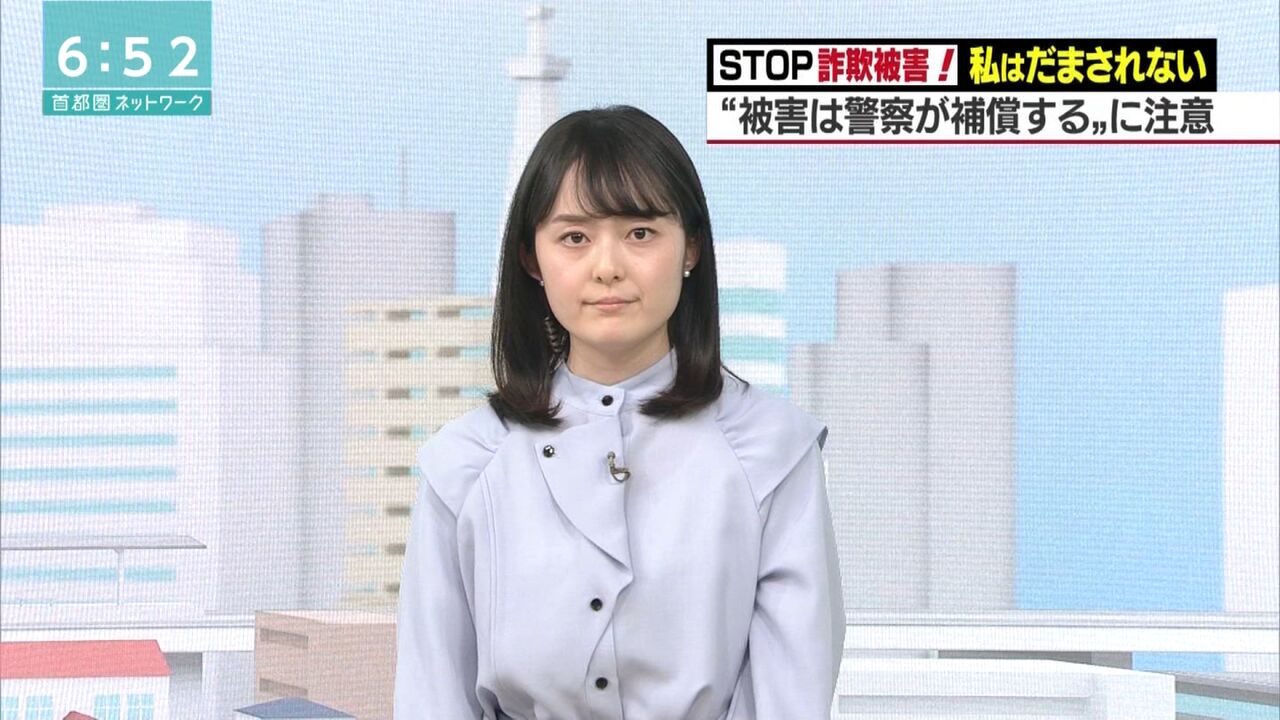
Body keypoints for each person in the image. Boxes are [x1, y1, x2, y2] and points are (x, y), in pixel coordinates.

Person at [393, 105, 844, 719]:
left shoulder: (772, 451)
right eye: (574, 238)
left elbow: (791, 698)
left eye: (640, 233)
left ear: (690, 248)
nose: (607, 267)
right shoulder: (465, 464)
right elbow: (432, 698)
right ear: (532, 259)